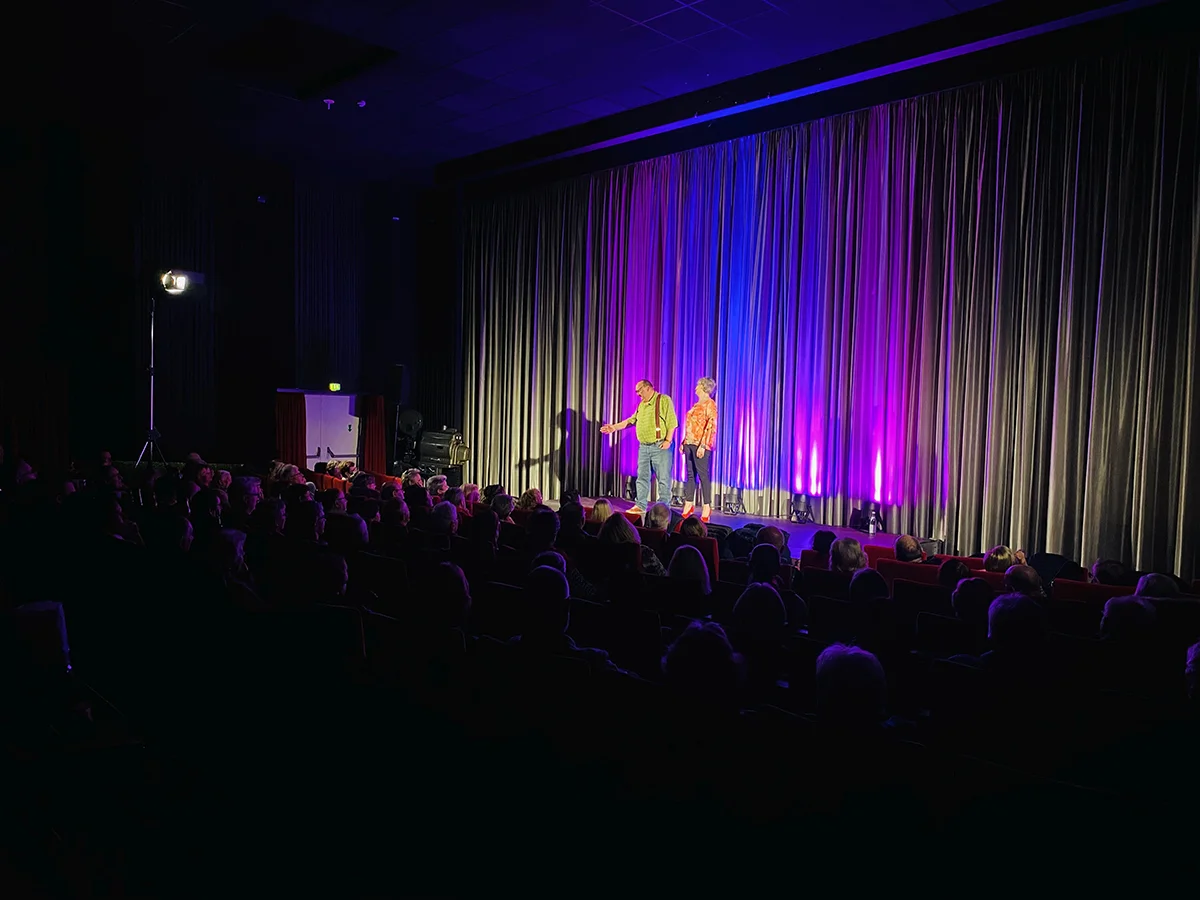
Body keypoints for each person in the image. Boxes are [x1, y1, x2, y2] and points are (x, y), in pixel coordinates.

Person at [600, 378, 677, 514]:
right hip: (644, 447)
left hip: (660, 445)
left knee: (663, 478)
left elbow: (672, 422)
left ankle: (663, 509)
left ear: (648, 388)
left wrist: (668, 441)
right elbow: (631, 420)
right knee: (642, 477)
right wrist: (613, 427)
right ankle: (640, 505)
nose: (637, 394)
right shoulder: (642, 405)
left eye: (639, 390)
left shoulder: (663, 400)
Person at [679, 377, 717, 521]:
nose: (695, 388)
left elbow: (711, 426)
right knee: (690, 475)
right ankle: (689, 503)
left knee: (702, 475)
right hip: (689, 443)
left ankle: (707, 506)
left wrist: (703, 445)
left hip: (701, 445)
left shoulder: (710, 404)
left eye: (698, 386)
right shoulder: (695, 405)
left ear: (703, 387)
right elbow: (690, 426)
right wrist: (683, 442)